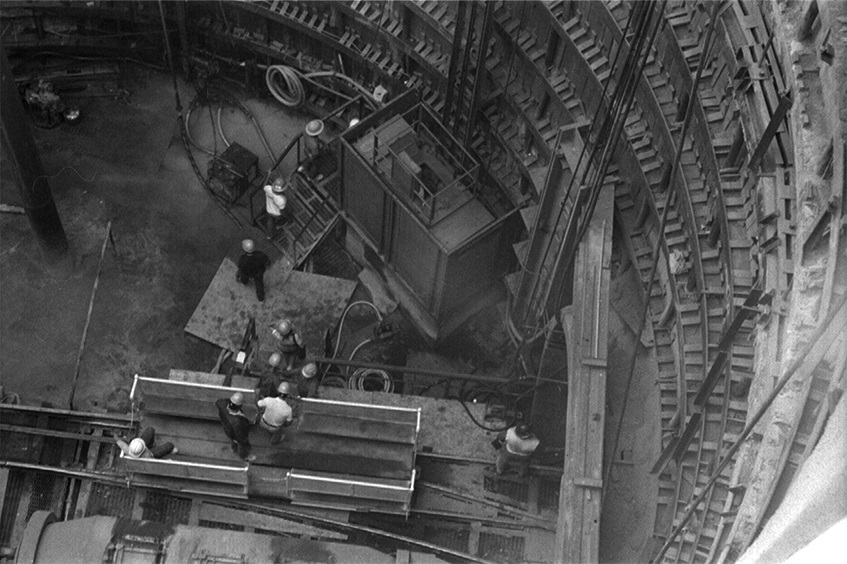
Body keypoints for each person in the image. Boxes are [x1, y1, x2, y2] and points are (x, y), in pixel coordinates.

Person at [215, 392, 256, 462]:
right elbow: (241, 437)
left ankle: (234, 448)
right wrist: (245, 442)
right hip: (237, 434)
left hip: (227, 430)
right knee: (242, 445)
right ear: (240, 406)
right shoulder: (238, 422)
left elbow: (218, 402)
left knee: (233, 440)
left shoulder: (222, 404)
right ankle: (245, 456)